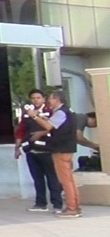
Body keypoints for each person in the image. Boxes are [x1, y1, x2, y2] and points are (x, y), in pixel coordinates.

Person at [26, 88, 80, 218]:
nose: (49, 101)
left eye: (50, 98)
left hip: (61, 149)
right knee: (69, 179)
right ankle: (75, 206)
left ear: (57, 99)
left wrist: (34, 115)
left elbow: (48, 126)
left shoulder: (61, 113)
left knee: (65, 180)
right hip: (67, 147)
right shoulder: (69, 111)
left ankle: (72, 208)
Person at [14, 89, 61, 212]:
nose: (36, 100)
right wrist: (17, 148)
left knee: (52, 178)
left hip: (47, 150)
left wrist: (41, 132)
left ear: (43, 99)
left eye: (38, 98)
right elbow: (21, 131)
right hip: (31, 150)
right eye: (33, 98)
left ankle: (57, 205)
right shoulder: (26, 114)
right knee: (37, 178)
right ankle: (40, 204)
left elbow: (55, 128)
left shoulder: (50, 112)